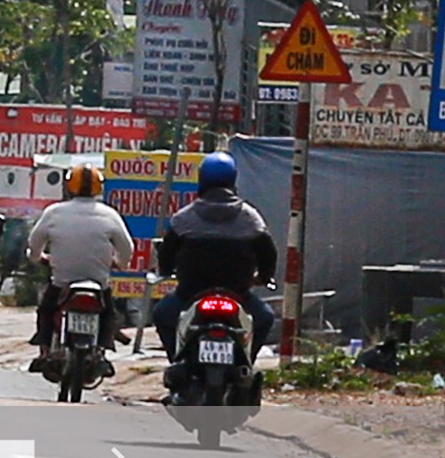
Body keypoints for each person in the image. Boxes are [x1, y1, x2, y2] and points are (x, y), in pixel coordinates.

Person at [151, 151, 280, 356]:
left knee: (161, 314)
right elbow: (268, 254)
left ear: (201, 179)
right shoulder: (250, 218)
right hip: (238, 295)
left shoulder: (184, 218)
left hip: (190, 295)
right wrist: (264, 277)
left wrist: (166, 270)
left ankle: (176, 360)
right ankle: (245, 363)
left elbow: (166, 255)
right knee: (264, 318)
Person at [26, 165, 134, 374]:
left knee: (46, 310)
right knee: (108, 313)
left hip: (62, 282)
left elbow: (34, 242)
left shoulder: (54, 212)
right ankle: (102, 351)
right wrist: (120, 263)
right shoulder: (109, 214)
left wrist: (37, 258)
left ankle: (45, 351)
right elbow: (127, 247)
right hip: (97, 282)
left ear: (69, 187)